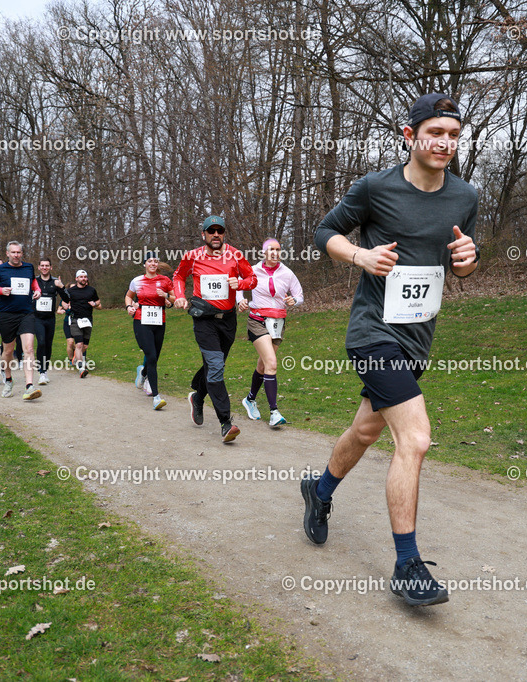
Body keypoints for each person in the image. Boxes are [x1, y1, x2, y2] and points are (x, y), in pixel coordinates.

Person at [299, 94, 479, 607]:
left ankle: (319, 491)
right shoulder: (376, 187)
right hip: (373, 332)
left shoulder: (465, 197)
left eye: (453, 135)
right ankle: (407, 563)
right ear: (409, 135)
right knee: (416, 438)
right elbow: (325, 231)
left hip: (418, 335)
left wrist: (469, 259)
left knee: (366, 429)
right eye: (435, 132)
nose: (445, 142)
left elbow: (462, 262)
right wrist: (360, 254)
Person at [172, 215, 256, 443]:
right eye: (211, 231)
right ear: (204, 235)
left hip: (227, 320)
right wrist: (179, 296)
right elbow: (178, 276)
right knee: (216, 366)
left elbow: (252, 278)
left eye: (220, 231)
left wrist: (241, 284)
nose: (216, 235)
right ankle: (225, 422)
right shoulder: (192, 257)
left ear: (224, 234)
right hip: (204, 320)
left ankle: (198, 397)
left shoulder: (236, 255)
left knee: (214, 365)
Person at [237, 238, 304, 428]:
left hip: (278, 323)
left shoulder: (287, 273)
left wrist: (294, 301)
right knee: (272, 363)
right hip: (257, 320)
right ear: (264, 253)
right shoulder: (253, 270)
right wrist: (240, 300)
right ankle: (274, 412)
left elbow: (299, 295)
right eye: (271, 250)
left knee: (263, 365)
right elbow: (238, 287)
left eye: (278, 250)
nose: (275, 253)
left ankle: (250, 399)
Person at [0, 243, 43, 400]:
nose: (16, 255)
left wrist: (37, 291)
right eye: (13, 252)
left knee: (28, 348)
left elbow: (33, 282)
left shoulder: (29, 267)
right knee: (8, 351)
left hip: (26, 313)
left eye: (19, 252)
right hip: (7, 315)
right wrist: (0, 291)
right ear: (7, 253)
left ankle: (29, 386)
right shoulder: (0, 270)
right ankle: (8, 379)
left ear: (22, 253)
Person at [125, 252, 173, 410]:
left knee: (155, 356)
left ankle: (143, 372)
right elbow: (128, 296)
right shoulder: (137, 281)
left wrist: (166, 296)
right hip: (141, 319)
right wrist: (129, 307)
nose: (153, 264)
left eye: (155, 261)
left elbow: (174, 298)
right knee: (151, 355)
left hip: (159, 320)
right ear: (144, 264)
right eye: (150, 261)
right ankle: (156, 397)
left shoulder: (165, 280)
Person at [34, 258, 68, 385]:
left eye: (47, 265)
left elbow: (66, 298)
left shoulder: (55, 281)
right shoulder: (35, 281)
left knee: (48, 344)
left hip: (50, 318)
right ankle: (41, 372)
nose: (44, 267)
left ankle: (45, 370)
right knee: (41, 342)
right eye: (42, 265)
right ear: (38, 267)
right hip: (37, 318)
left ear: (51, 267)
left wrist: (62, 287)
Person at [65, 270, 100, 378]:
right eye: (81, 277)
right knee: (79, 344)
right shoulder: (70, 291)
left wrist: (94, 304)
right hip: (75, 320)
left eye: (85, 277)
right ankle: (81, 368)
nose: (83, 279)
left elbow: (98, 301)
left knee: (84, 346)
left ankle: (77, 356)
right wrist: (66, 306)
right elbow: (63, 302)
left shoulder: (91, 290)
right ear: (76, 279)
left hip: (88, 320)